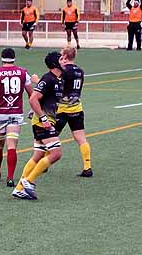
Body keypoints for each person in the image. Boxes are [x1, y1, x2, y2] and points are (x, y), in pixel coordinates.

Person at [12, 52, 64, 200]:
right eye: (61, 59)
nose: (64, 61)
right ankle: (28, 181)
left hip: (44, 121)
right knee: (56, 153)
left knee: (38, 155)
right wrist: (43, 118)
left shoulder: (57, 79)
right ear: (55, 64)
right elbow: (33, 98)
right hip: (43, 122)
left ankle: (19, 189)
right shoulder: (48, 79)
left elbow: (42, 98)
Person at [0, 48, 33, 187]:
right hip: (16, 113)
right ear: (14, 58)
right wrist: (33, 109)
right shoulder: (23, 72)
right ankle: (10, 177)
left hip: (0, 114)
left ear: (2, 58)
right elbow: (31, 93)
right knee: (12, 145)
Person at [57, 47, 92, 177]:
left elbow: (55, 87)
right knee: (81, 139)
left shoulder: (64, 71)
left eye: (61, 55)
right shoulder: (80, 71)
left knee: (49, 137)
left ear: (65, 56)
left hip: (62, 109)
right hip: (77, 108)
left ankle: (45, 163)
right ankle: (87, 167)